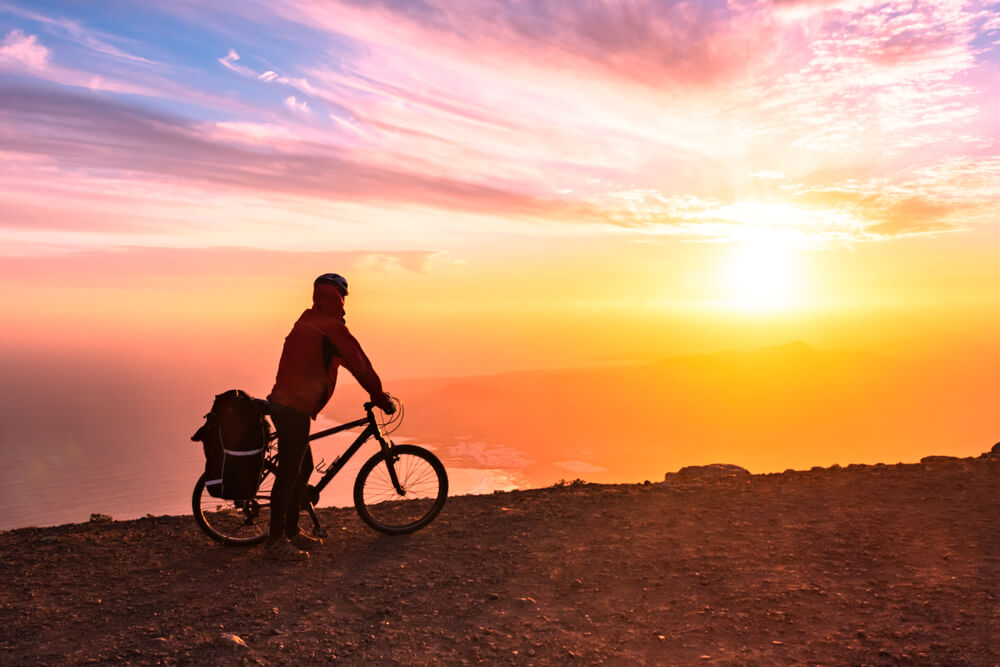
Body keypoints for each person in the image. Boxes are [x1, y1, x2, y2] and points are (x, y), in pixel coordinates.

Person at [263, 273, 394, 561]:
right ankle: (274, 542)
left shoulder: (308, 321)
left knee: (304, 466)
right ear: (340, 297)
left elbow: (348, 362)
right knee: (289, 473)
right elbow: (359, 364)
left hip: (285, 404)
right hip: (293, 408)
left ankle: (292, 530)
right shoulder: (331, 329)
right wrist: (379, 397)